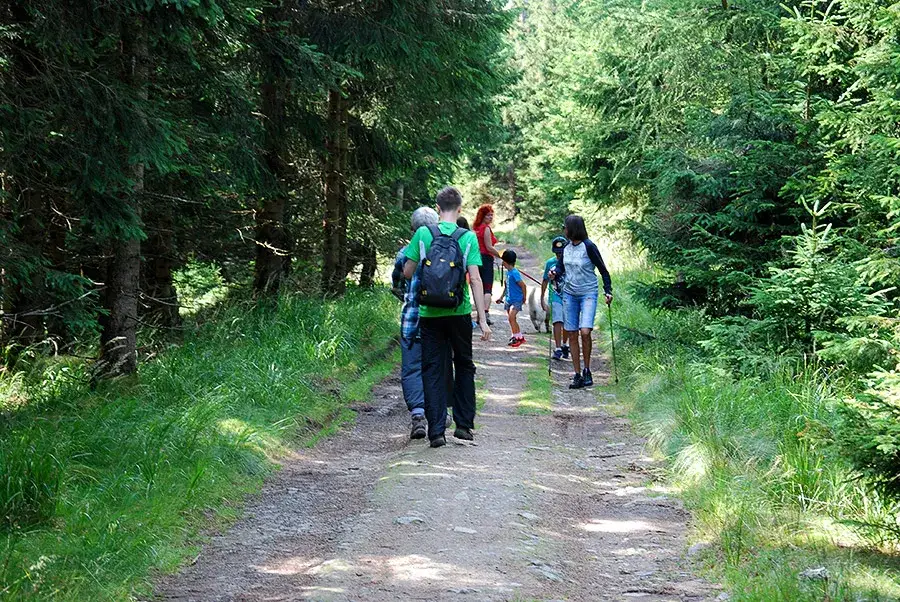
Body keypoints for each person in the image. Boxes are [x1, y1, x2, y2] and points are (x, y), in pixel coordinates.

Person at [403, 187, 491, 448]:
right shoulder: (468, 238)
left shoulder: (422, 233)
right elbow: (475, 278)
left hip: (429, 313)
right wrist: (482, 319)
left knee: (433, 368)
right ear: (460, 209)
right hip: (459, 311)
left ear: (438, 209)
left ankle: (437, 431)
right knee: (464, 365)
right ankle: (463, 425)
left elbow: (408, 272)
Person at [391, 207, 440, 439]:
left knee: (412, 370)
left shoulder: (404, 254)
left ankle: (418, 415)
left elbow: (397, 286)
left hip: (412, 321)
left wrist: (408, 296)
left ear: (412, 229)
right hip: (439, 320)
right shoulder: (444, 251)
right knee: (436, 367)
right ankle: (438, 413)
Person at [552, 215, 612, 390]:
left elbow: (603, 270)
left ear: (573, 228)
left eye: (566, 227)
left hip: (588, 293)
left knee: (585, 331)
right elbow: (561, 266)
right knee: (571, 333)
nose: (564, 230)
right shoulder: (566, 248)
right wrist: (555, 272)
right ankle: (577, 374)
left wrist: (608, 291)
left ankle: (587, 370)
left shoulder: (589, 247)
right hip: (569, 294)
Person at [472, 204, 502, 326]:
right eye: (488, 215)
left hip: (476, 259)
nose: (491, 217)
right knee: (487, 288)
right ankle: (485, 314)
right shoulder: (486, 229)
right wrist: (500, 255)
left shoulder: (476, 229)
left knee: (478, 286)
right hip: (486, 260)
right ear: (483, 216)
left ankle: (480, 316)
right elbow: (489, 247)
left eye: (491, 215)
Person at [542, 236, 569, 360]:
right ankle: (558, 348)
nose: (559, 255)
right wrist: (542, 297)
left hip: (569, 295)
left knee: (567, 322)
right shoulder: (550, 263)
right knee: (557, 320)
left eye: (561, 253)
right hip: (555, 295)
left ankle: (565, 344)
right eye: (557, 253)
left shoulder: (569, 262)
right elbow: (545, 281)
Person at [496, 250, 526, 347]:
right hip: (509, 300)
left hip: (516, 299)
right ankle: (517, 336)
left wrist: (524, 297)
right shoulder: (508, 273)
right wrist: (501, 297)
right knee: (512, 319)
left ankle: (517, 337)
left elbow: (523, 285)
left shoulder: (514, 273)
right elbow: (506, 286)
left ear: (505, 261)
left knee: (511, 317)